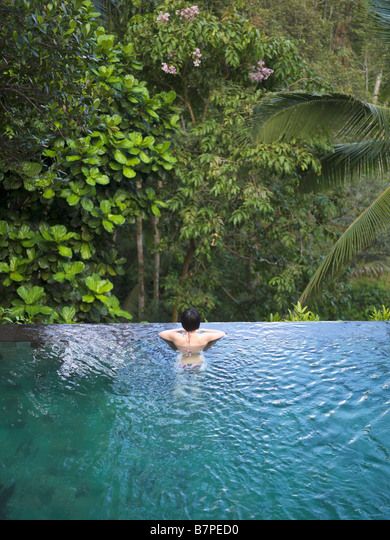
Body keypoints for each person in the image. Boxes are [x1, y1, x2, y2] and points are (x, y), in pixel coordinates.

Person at [159, 307, 225, 368]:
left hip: (182, 364)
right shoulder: (204, 337)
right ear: (198, 323)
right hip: (198, 364)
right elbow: (221, 333)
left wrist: (180, 329)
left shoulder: (176, 337)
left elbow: (161, 334)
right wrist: (203, 330)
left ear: (182, 323)